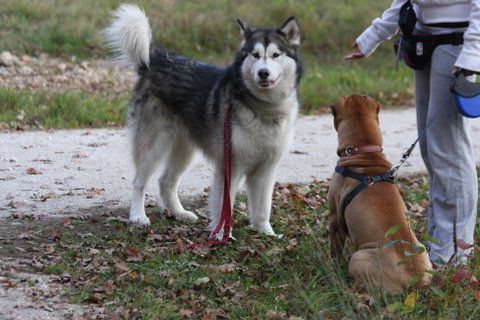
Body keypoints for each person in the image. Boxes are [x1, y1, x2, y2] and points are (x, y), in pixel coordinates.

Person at [345, 0, 480, 265]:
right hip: (423, 39)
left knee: (447, 149)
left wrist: (474, 52)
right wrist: (376, 33)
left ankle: (454, 254)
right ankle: (440, 243)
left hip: (457, 44)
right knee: (430, 147)